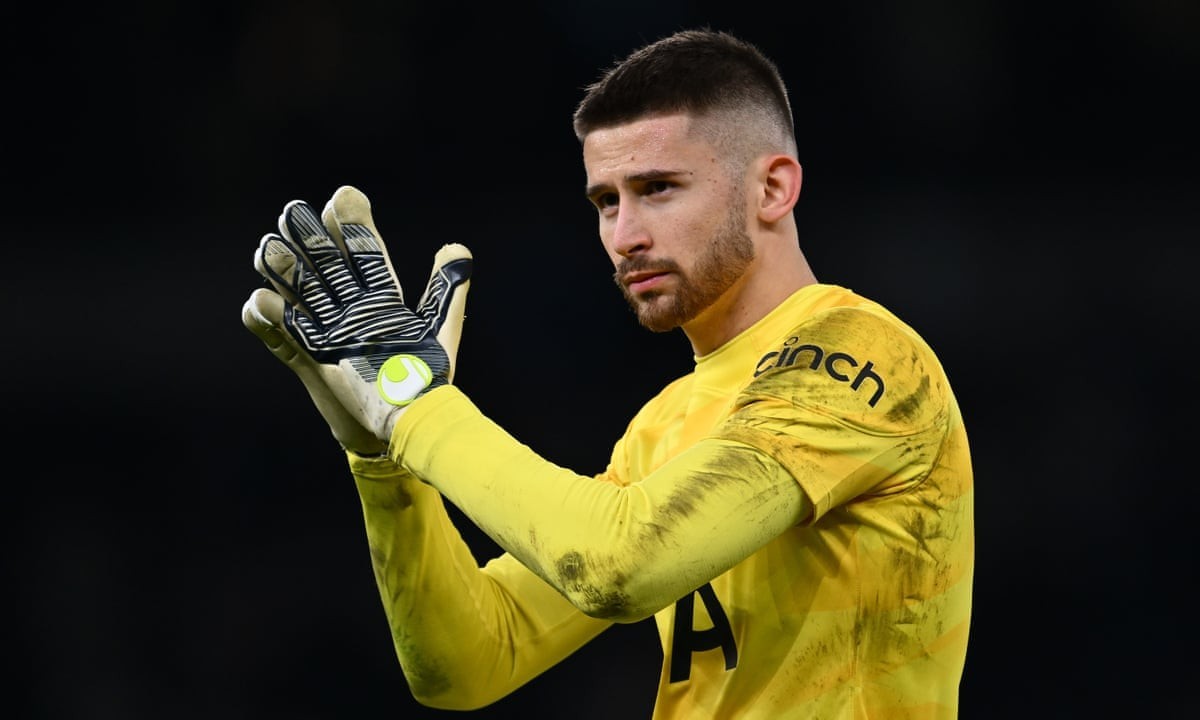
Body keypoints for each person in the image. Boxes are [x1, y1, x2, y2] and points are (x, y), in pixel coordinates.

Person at [242, 28, 974, 719]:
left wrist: (415, 407)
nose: (625, 236)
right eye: (605, 201)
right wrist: (383, 460)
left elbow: (620, 564)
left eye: (658, 188)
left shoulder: (865, 357)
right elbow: (467, 662)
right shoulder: (664, 426)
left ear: (773, 189)